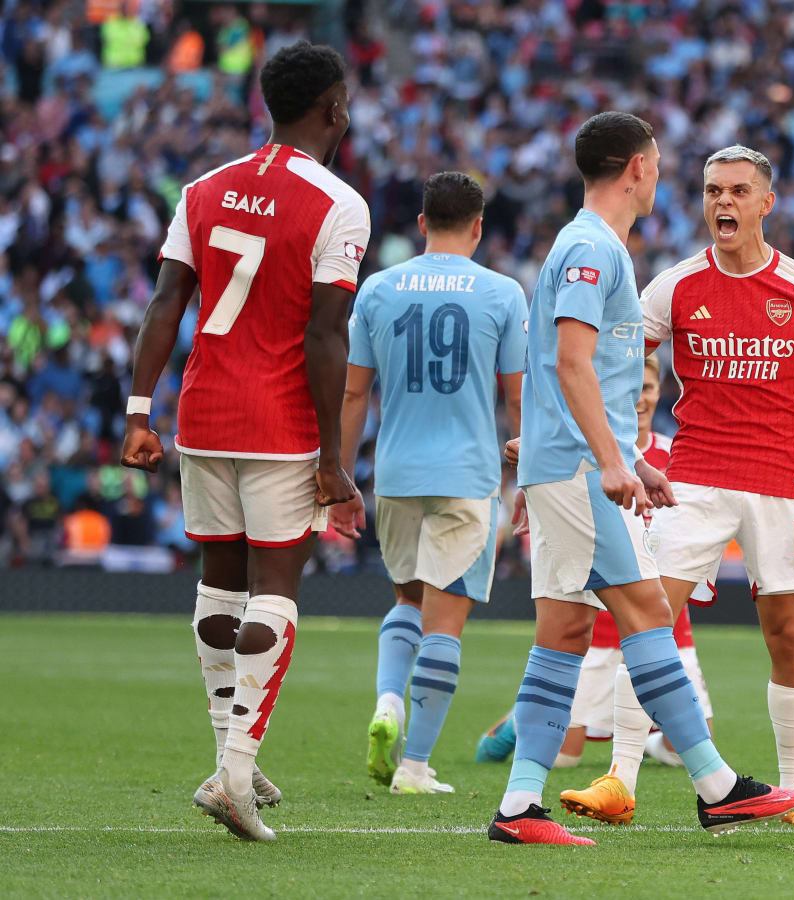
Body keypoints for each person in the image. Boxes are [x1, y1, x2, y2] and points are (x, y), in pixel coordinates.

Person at [487, 113, 794, 847]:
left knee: (565, 632)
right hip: (575, 471)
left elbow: (576, 376)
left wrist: (630, 459)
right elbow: (570, 363)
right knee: (643, 613)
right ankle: (717, 786)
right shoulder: (591, 249)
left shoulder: (593, 247)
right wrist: (609, 460)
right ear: (635, 167)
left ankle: (518, 807)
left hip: (565, 464)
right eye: (660, 165)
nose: (664, 178)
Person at [559, 145, 794, 831]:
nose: (724, 202)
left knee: (786, 635)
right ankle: (619, 778)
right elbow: (618, 360)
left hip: (781, 482)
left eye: (739, 191)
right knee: (650, 621)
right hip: (694, 479)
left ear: (765, 204)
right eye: (714, 190)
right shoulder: (674, 286)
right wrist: (619, 446)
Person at [120, 41, 369, 842]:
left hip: (203, 413)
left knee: (219, 584)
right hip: (281, 423)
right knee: (276, 588)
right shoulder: (338, 204)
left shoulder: (202, 188)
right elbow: (327, 336)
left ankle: (230, 754)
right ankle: (234, 772)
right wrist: (333, 460)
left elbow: (165, 305)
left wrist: (137, 412)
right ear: (332, 108)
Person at [328, 172, 527, 795]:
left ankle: (389, 699)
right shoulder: (501, 293)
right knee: (446, 624)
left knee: (406, 603)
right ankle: (414, 766)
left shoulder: (378, 290)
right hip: (466, 476)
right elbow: (518, 399)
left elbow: (354, 390)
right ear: (477, 227)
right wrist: (526, 480)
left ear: (420, 224)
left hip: (396, 474)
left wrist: (338, 474)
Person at [476, 354, 716, 784]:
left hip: (666, 627)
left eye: (647, 388)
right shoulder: (590, 457)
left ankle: (645, 739)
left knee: (689, 747)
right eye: (632, 388)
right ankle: (514, 723)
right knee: (565, 758)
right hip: (599, 632)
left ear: (660, 392)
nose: (639, 399)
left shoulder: (680, 456)